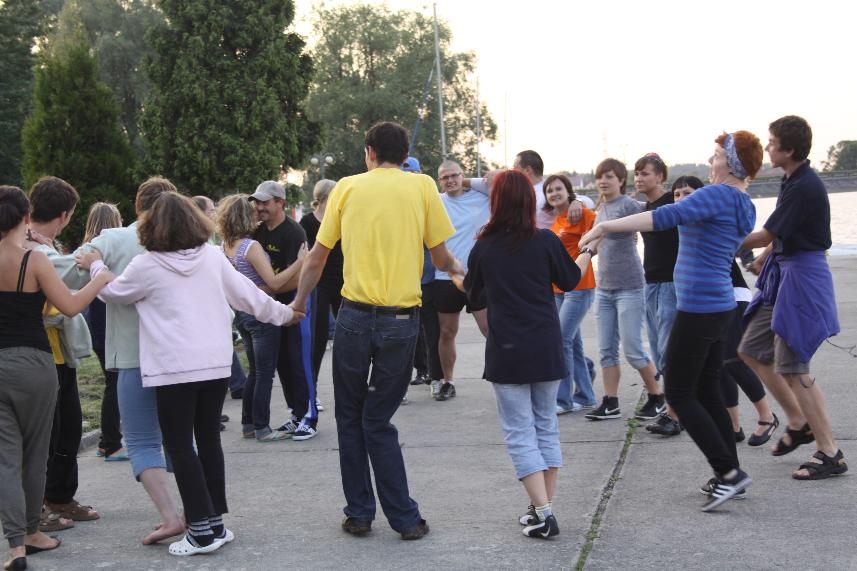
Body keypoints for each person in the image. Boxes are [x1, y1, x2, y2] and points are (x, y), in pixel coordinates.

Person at [86, 192, 302, 556]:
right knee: (208, 441)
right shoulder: (212, 257)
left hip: (172, 369)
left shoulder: (146, 265)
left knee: (180, 446)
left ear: (151, 227)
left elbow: (111, 293)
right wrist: (286, 314)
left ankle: (200, 531)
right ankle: (215, 522)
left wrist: (96, 267)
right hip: (215, 366)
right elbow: (249, 296)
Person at [291, 121, 463, 540]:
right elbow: (441, 258)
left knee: (350, 416)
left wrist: (299, 303)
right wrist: (460, 272)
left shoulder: (346, 188)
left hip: (353, 317)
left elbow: (316, 258)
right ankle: (405, 519)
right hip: (401, 321)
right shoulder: (422, 187)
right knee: (378, 419)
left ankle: (360, 514)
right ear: (405, 154)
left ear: (369, 151)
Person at [581, 130, 762, 510]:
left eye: (716, 156)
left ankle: (729, 474)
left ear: (731, 163)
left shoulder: (717, 195)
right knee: (708, 389)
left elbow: (665, 216)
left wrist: (605, 226)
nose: (711, 161)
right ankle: (729, 473)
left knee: (679, 391)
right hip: (718, 304)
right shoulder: (744, 203)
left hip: (699, 306)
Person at [465, 170, 597, 538]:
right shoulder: (545, 241)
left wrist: (489, 325)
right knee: (545, 427)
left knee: (519, 432)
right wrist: (587, 251)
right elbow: (571, 279)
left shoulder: (484, 248)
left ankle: (543, 512)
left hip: (507, 350)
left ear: (496, 202)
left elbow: (474, 297)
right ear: (528, 201)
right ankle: (542, 507)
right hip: (546, 346)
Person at [0, 185, 113, 571]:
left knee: (5, 459)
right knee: (35, 456)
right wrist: (100, 278)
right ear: (26, 217)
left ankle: (15, 547)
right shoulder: (33, 260)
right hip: (34, 363)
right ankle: (33, 532)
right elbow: (70, 305)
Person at [68, 177, 184, 545]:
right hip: (178, 355)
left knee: (142, 439)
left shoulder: (114, 239)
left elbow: (70, 267)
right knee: (183, 438)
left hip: (133, 354)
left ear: (137, 206)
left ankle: (170, 515)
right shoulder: (187, 239)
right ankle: (200, 508)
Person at [738, 115, 846, 480]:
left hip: (802, 279)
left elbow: (767, 232)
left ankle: (830, 452)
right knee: (752, 348)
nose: (767, 147)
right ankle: (799, 422)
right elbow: (782, 232)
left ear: (790, 148)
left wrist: (718, 242)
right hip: (783, 271)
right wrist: (764, 257)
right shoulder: (791, 180)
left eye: (772, 142)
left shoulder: (805, 186)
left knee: (794, 365)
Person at [671, 178, 778, 445]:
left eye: (688, 193)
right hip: (704, 301)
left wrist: (755, 258)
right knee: (718, 366)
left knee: (732, 358)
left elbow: (746, 236)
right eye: (677, 194)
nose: (682, 198)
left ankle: (767, 416)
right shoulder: (681, 220)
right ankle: (733, 425)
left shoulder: (712, 218)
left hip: (732, 293)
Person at [23, 177, 101, 529]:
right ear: (66, 214)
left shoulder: (42, 246)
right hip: (39, 352)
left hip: (57, 353)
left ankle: (59, 497)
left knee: (67, 428)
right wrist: (96, 271)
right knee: (48, 434)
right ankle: (39, 508)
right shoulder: (35, 251)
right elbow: (66, 302)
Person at [217, 194, 306, 441]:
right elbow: (274, 283)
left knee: (255, 371)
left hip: (242, 314)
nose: (257, 212)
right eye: (253, 210)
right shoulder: (250, 247)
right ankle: (262, 427)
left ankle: (249, 423)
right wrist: (299, 262)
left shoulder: (224, 246)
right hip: (261, 314)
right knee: (265, 373)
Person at [583, 159, 663, 422]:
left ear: (620, 180)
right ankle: (611, 402)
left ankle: (657, 397)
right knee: (606, 349)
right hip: (604, 289)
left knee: (632, 349)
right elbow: (598, 242)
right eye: (600, 177)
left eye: (609, 176)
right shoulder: (602, 208)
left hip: (630, 287)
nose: (603, 181)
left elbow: (655, 213)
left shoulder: (629, 205)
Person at [250, 180, 317, 440]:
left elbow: (300, 276)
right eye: (257, 202)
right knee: (283, 362)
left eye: (265, 202)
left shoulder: (294, 232)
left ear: (281, 203)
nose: (259, 207)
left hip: (297, 302)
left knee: (299, 360)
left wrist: (268, 289)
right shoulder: (258, 231)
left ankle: (309, 417)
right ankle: (296, 414)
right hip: (273, 304)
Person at [429, 159, 490, 401]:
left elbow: (499, 179)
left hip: (478, 276)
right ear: (439, 181)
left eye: (455, 175)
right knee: (446, 332)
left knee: (490, 330)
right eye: (445, 177)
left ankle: (507, 375)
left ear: (463, 175)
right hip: (445, 276)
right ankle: (448, 381)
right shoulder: (435, 202)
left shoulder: (482, 197)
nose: (451, 180)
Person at [633, 153, 682, 434]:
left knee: (667, 351)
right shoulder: (646, 206)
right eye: (637, 174)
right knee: (657, 350)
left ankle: (675, 416)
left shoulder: (670, 203)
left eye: (645, 173)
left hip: (670, 283)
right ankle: (672, 409)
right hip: (650, 283)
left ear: (661, 176)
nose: (639, 178)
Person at [543, 174, 598, 413]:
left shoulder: (582, 214)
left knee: (561, 341)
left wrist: (581, 203)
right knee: (573, 344)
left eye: (559, 189)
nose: (554, 193)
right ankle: (585, 396)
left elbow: (600, 226)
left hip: (580, 286)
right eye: (550, 191)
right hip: (558, 289)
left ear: (568, 191)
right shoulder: (556, 221)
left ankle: (562, 400)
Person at [81, 202, 127, 460]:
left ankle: (106, 441)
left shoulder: (86, 251)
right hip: (109, 325)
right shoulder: (110, 250)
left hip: (96, 325)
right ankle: (110, 442)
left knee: (112, 382)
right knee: (115, 384)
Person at [193, 195, 246, 403]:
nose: (215, 213)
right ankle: (237, 384)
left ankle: (237, 383)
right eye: (211, 210)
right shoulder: (201, 242)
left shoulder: (207, 240)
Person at [299, 179, 343, 411]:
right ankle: (310, 393)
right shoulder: (306, 222)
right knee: (317, 339)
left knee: (348, 338)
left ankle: (352, 391)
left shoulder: (342, 218)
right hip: (319, 284)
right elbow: (305, 256)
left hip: (344, 282)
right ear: (327, 196)